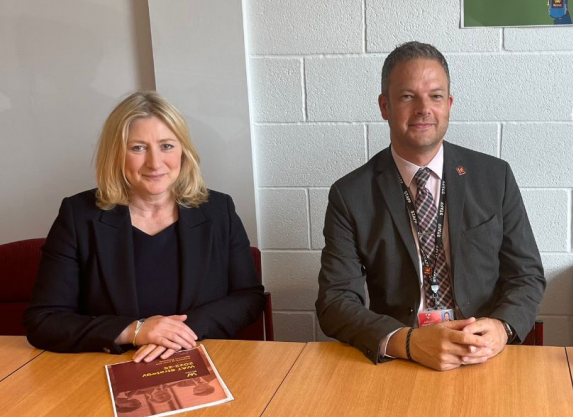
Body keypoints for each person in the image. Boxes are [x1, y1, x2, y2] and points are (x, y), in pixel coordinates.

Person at [316, 41, 545, 371]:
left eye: (435, 96)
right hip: (401, 357)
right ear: (385, 106)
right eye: (408, 96)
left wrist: (501, 327)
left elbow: (527, 275)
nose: (424, 108)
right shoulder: (350, 194)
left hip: (481, 351)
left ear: (449, 104)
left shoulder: (495, 177)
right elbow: (335, 301)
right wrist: (405, 341)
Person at [24, 92, 265, 362]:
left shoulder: (219, 210)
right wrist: (134, 331)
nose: (155, 163)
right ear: (116, 154)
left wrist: (180, 332)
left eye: (167, 146)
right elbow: (44, 321)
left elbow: (249, 298)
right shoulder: (78, 216)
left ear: (183, 151)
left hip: (202, 360)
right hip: (109, 366)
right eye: (138, 148)